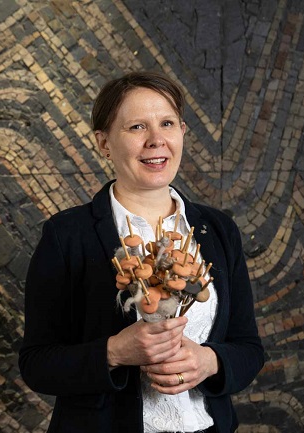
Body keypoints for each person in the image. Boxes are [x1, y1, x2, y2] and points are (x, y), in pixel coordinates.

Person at [19, 71, 265, 433]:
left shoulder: (219, 230)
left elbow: (249, 348)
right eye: (136, 127)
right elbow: (37, 364)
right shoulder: (66, 235)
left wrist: (209, 361)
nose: (156, 140)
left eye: (166, 123)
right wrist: (114, 352)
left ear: (182, 131)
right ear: (104, 143)